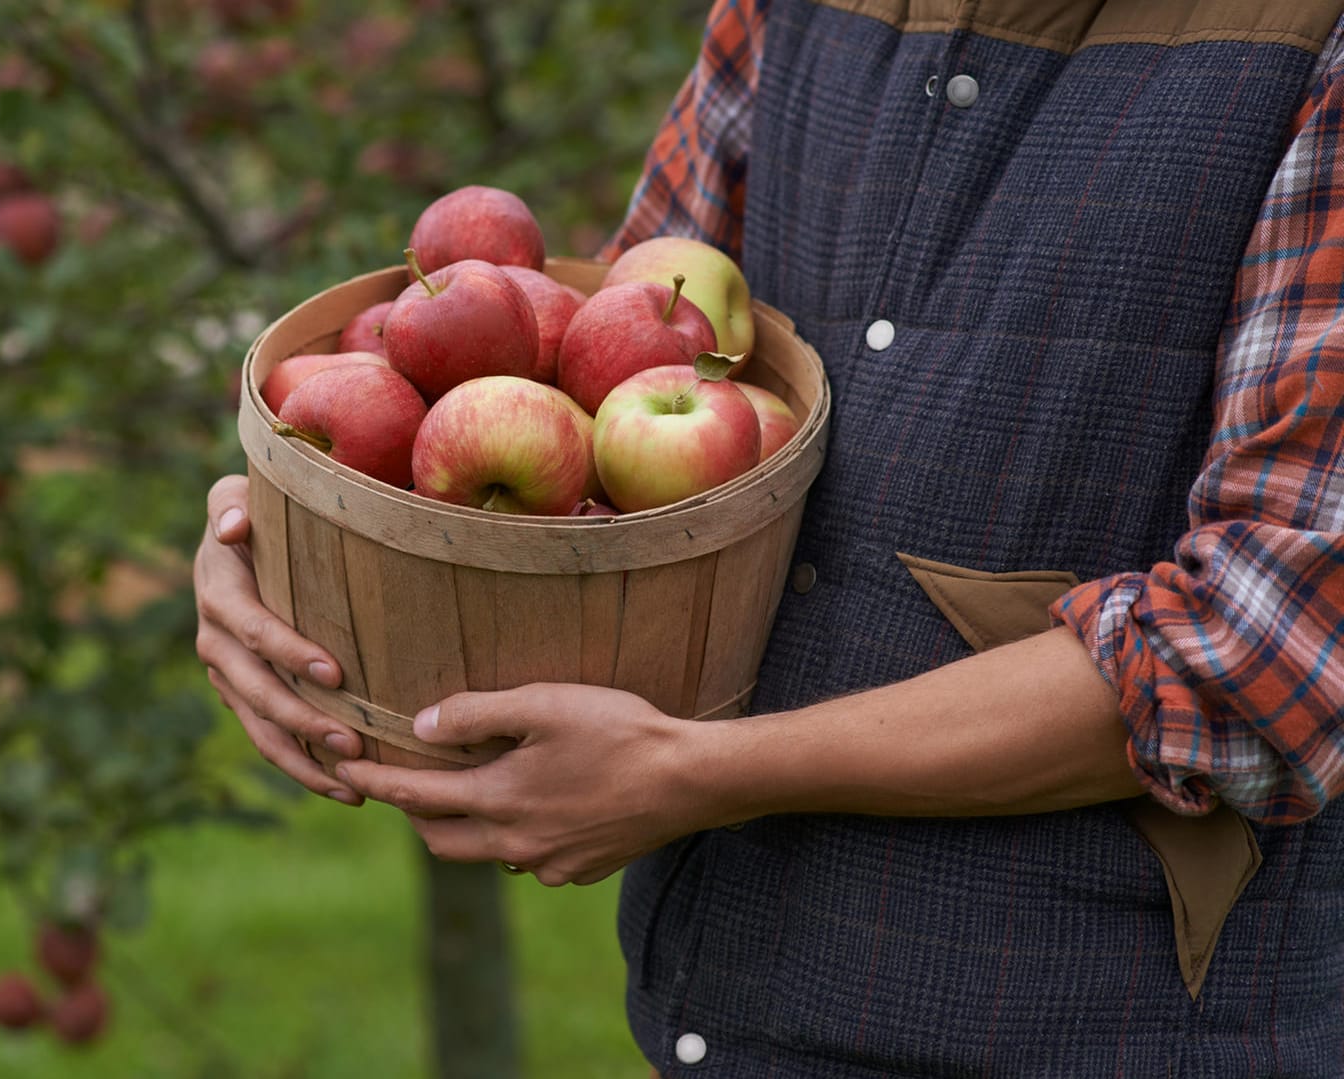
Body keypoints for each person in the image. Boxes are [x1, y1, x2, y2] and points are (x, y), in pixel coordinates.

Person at [193, 0, 1344, 1072]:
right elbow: (595, 430)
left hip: (1100, 1028)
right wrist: (290, 542)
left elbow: (1267, 649)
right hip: (724, 1009)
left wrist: (698, 772)